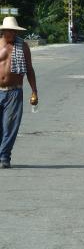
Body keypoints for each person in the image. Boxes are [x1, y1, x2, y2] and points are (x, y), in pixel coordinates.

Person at [0, 16, 38, 168]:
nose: (13, 35)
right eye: (11, 32)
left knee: (10, 126)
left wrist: (34, 91)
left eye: (15, 32)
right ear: (4, 31)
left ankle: (4, 157)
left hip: (14, 91)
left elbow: (29, 69)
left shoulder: (22, 46)